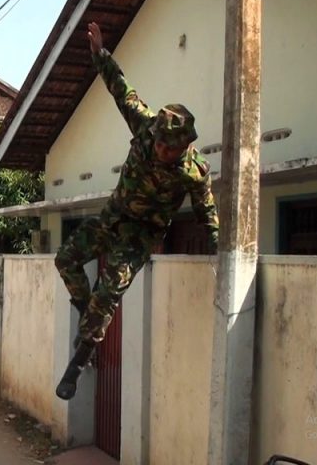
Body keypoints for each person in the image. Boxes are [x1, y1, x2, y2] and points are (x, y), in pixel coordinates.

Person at [54, 23, 219, 400]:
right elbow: (120, 89)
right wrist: (99, 53)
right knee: (66, 259)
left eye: (168, 148)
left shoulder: (195, 172)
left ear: (183, 146)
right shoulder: (144, 127)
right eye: (159, 144)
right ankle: (85, 312)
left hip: (140, 236)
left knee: (109, 292)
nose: (161, 151)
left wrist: (217, 248)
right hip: (113, 218)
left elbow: (207, 213)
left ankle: (78, 362)